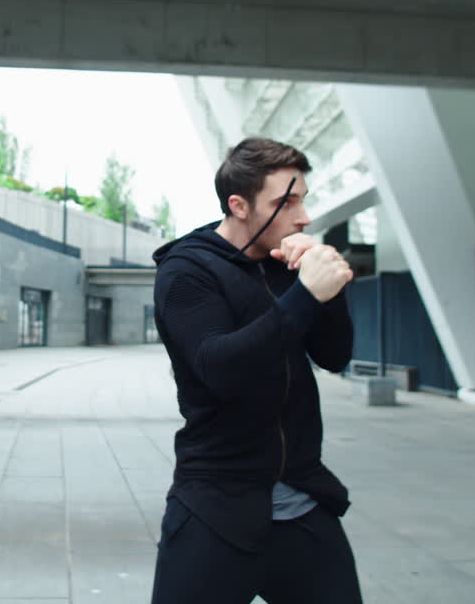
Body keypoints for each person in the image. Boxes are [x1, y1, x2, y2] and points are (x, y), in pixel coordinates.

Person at [149, 137, 362, 603]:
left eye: (303, 199)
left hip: (302, 498)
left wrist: (328, 285)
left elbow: (334, 355)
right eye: (285, 203)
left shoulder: (285, 264)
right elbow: (219, 367)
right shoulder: (187, 272)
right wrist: (305, 296)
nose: (302, 216)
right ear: (239, 205)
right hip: (216, 503)